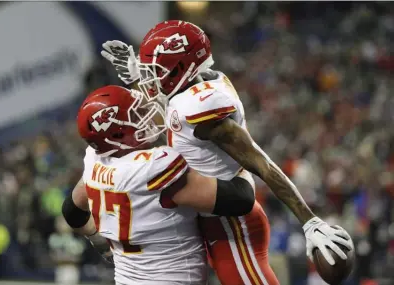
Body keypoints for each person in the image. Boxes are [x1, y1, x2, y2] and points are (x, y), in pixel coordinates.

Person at [100, 20, 354, 285]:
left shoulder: (200, 110)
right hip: (215, 221)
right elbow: (173, 110)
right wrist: (140, 75)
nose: (149, 79)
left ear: (179, 69)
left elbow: (261, 163)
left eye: (154, 71)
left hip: (233, 226)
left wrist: (309, 221)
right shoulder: (199, 88)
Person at [62, 85, 256, 285]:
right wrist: (237, 162)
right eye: (136, 117)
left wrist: (102, 243)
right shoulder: (153, 168)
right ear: (117, 136)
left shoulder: (95, 162)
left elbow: (72, 211)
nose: (144, 118)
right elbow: (241, 199)